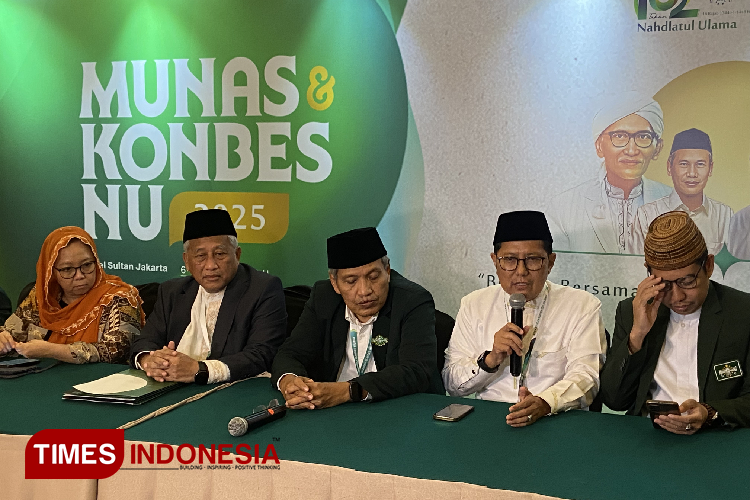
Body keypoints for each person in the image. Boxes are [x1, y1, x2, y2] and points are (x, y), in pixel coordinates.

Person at [443, 211, 607, 427]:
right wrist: (490, 359)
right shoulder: (474, 305)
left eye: (533, 260)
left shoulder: (582, 306)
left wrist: (546, 403)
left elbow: (587, 377)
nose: (521, 271)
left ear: (550, 262)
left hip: (556, 419)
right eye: (509, 260)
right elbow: (453, 385)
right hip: (489, 422)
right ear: (495, 261)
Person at [600, 211, 750, 431]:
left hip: (717, 436)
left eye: (687, 281)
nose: (678, 297)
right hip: (648, 434)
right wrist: (637, 335)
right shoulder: (632, 311)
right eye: (665, 285)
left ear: (708, 266)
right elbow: (615, 400)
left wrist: (710, 413)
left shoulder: (742, 312)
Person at [271, 227, 440, 409]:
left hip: (399, 408)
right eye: (351, 281)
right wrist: (291, 381)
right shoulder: (323, 297)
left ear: (387, 271)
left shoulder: (412, 300)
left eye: (374, 277)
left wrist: (348, 391)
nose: (364, 291)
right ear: (334, 283)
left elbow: (416, 371)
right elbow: (291, 353)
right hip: (336, 412)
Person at [130, 209, 286, 384]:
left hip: (232, 389)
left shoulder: (262, 288)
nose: (211, 265)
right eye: (200, 256)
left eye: (220, 254)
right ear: (186, 261)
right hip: (170, 385)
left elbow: (263, 354)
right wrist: (149, 360)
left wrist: (199, 370)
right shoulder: (172, 291)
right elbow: (144, 341)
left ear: (237, 255)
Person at [547, 92, 671, 253]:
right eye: (619, 136)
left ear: (657, 148)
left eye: (643, 136)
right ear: (599, 146)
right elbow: (557, 272)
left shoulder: (675, 205)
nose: (632, 150)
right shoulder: (563, 208)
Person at [0, 227, 143, 363]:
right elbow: (11, 333)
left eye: (87, 265)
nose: (79, 275)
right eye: (68, 269)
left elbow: (118, 350)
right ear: (52, 271)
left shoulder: (119, 297)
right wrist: (3, 339)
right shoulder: (43, 297)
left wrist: (53, 351)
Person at [629, 128, 732, 256]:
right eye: (684, 164)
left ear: (710, 168)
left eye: (700, 164)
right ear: (669, 167)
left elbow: (733, 269)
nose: (692, 173)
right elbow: (634, 268)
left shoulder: (725, 216)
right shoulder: (646, 216)